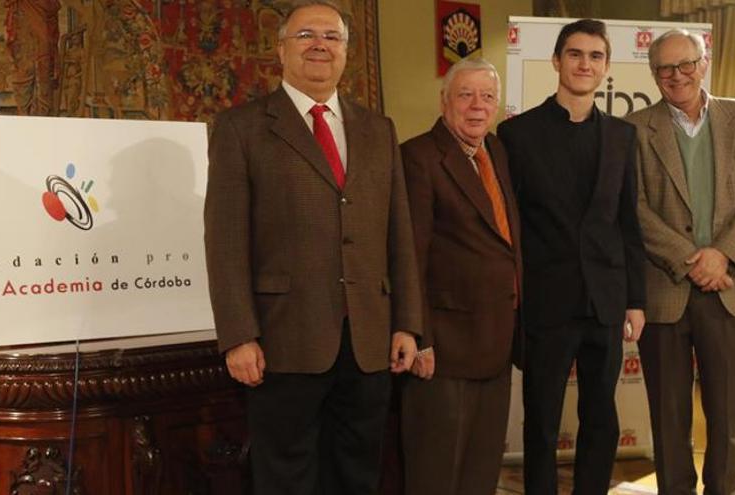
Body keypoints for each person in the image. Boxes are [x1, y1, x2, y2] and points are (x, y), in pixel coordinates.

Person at [203, 1, 422, 494]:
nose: (320, 44)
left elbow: (399, 234)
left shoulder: (378, 130)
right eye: (305, 35)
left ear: (346, 51)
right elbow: (225, 241)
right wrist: (238, 334)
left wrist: (407, 322)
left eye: (332, 36)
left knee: (359, 474)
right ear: (280, 49)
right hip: (283, 341)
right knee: (287, 478)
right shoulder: (241, 128)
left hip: (368, 339)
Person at [496, 19, 647, 495]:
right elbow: (511, 226)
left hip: (605, 300)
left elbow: (628, 223)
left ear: (606, 67)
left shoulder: (623, 136)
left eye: (596, 56)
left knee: (601, 416)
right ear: (557, 61)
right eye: (576, 54)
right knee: (540, 419)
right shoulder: (516, 134)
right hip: (546, 300)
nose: (585, 64)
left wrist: (635, 300)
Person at [624, 29, 735, 495]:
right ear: (654, 75)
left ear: (703, 62)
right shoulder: (632, 129)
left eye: (686, 64)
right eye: (666, 69)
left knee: (730, 414)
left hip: (730, 287)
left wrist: (723, 255)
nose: (677, 76)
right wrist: (691, 260)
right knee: (669, 418)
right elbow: (634, 207)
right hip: (666, 291)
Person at [398, 58, 521, 495]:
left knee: (480, 470)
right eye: (465, 95)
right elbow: (409, 254)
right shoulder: (418, 156)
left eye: (487, 96)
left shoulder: (497, 152)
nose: (476, 106)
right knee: (437, 473)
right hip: (444, 348)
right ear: (444, 101)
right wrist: (419, 335)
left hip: (496, 340)